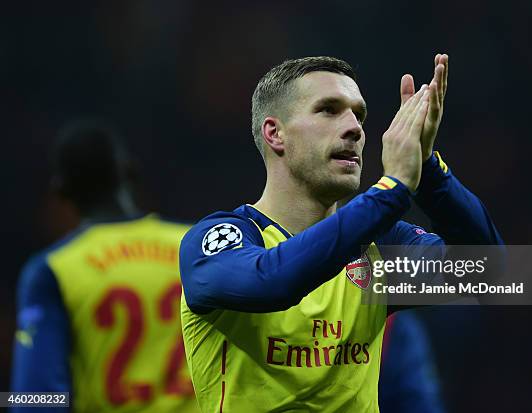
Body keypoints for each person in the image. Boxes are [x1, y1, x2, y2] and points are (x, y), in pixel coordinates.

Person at [180, 55, 503, 412]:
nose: (355, 128)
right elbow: (272, 282)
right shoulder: (217, 239)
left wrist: (427, 170)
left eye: (359, 114)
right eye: (329, 110)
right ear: (275, 133)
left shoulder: (379, 246)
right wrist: (390, 189)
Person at [11, 120, 199, 413]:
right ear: (129, 171)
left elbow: (36, 396)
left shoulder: (52, 271)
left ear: (59, 190)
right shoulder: (194, 244)